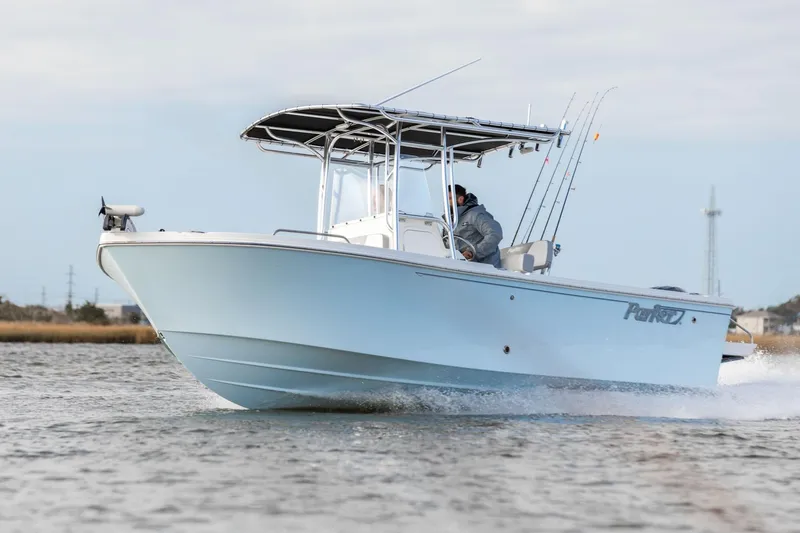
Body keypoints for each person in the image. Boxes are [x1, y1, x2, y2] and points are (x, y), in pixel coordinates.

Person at [444, 184, 503, 267]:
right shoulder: (449, 222)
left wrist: (473, 252)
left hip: (484, 269)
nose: (446, 203)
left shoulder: (475, 215)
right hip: (461, 268)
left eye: (449, 199)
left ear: (460, 199)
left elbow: (495, 233)